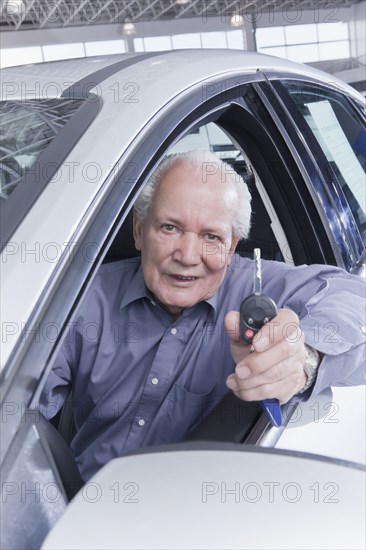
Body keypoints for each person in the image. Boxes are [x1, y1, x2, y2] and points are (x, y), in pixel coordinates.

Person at [40, 150, 365, 482]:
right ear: (139, 230)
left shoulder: (262, 290)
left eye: (211, 237)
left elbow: (354, 298)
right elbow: (19, 394)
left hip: (199, 520)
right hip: (81, 511)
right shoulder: (84, 299)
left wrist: (305, 357)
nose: (188, 255)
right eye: (169, 228)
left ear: (231, 244)